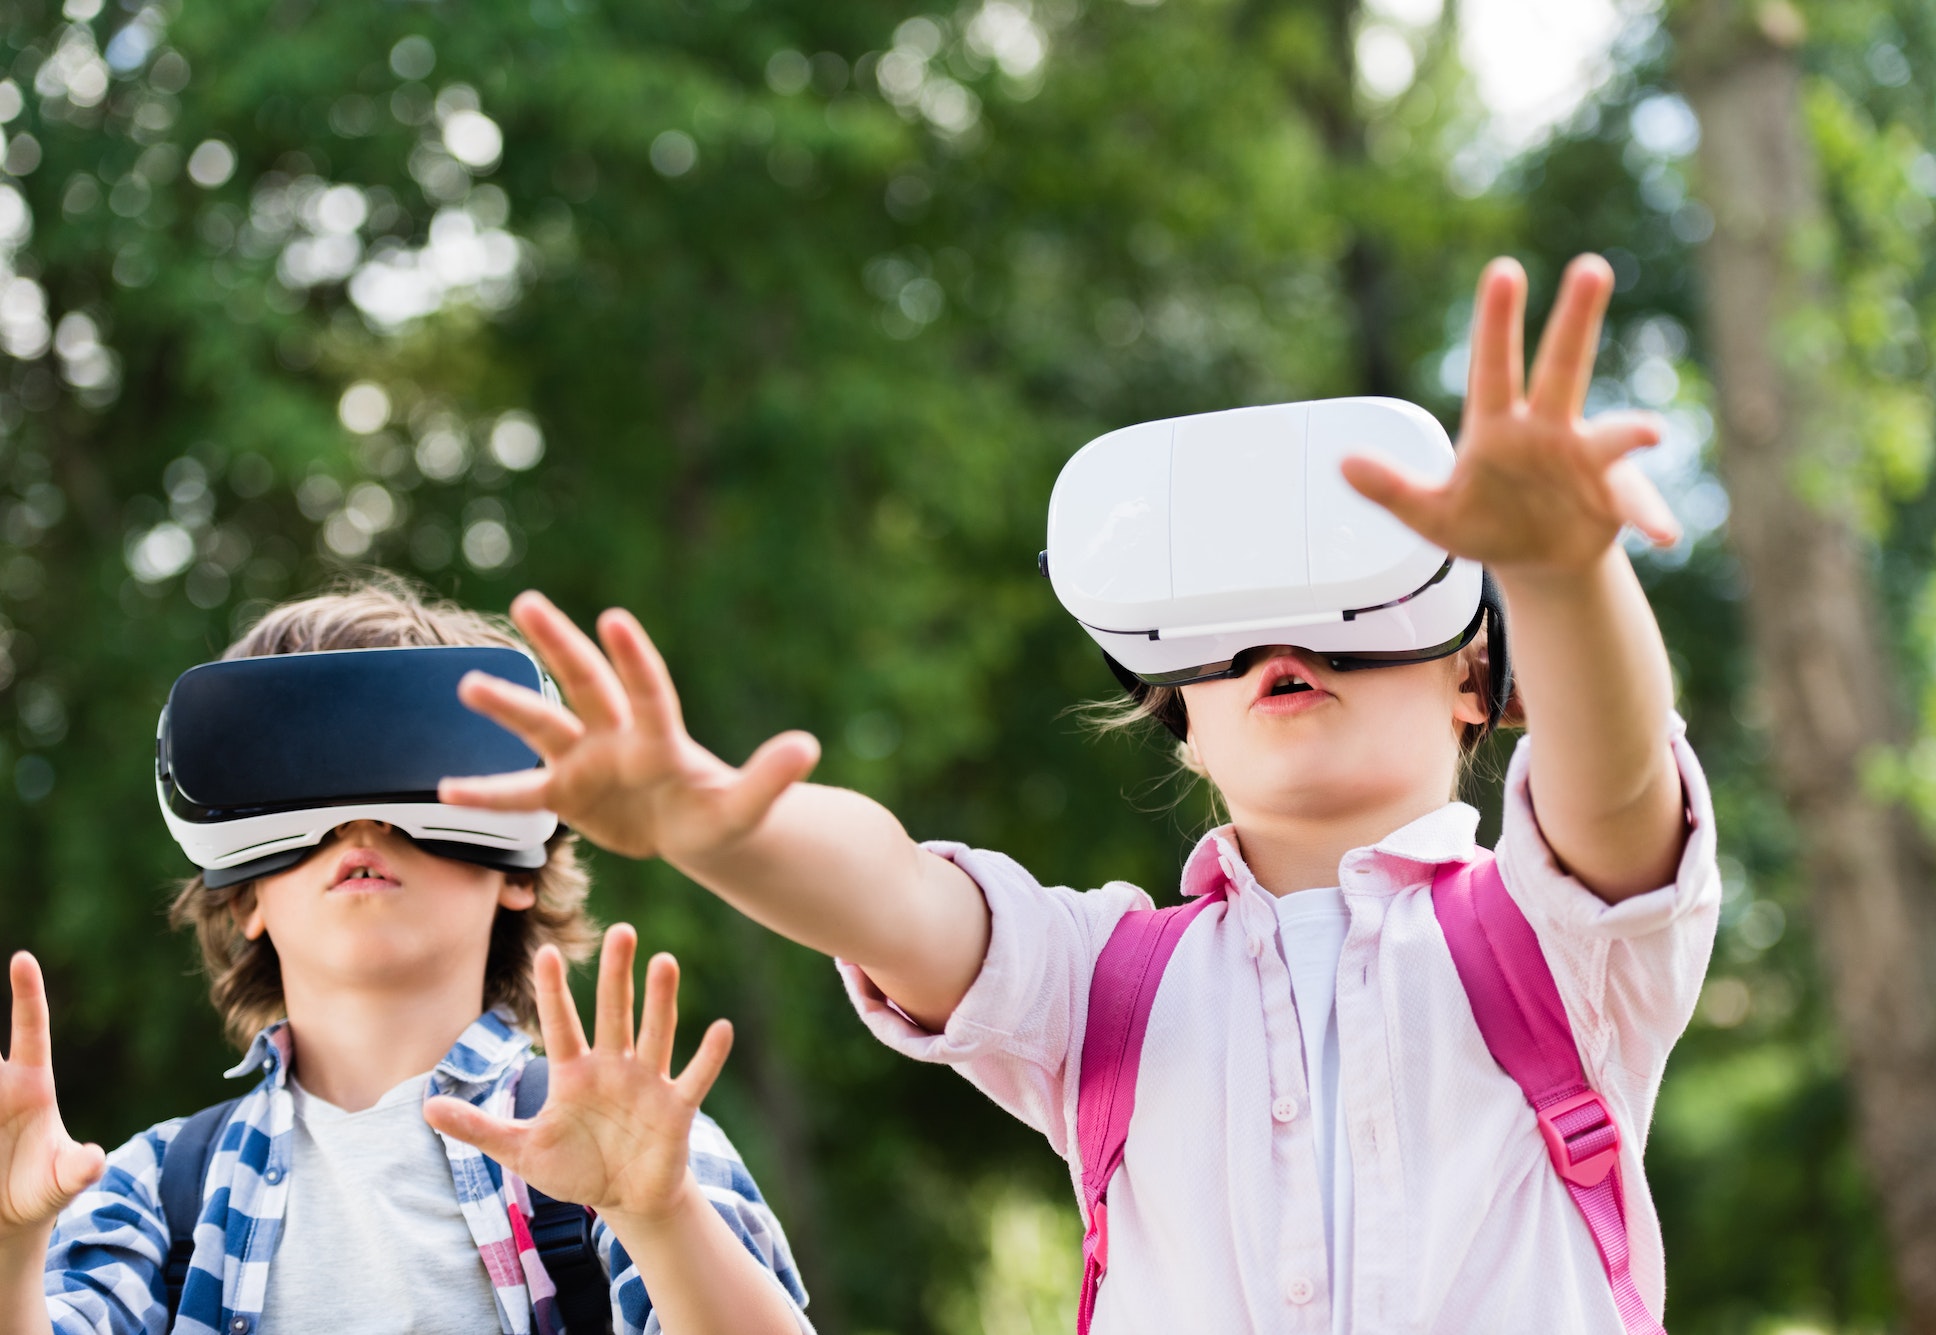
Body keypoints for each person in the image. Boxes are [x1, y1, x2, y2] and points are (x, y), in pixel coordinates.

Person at [439, 255, 1720, 1332]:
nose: (1284, 646)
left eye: (1344, 618)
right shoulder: (1103, 983)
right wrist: (714, 825)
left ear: (1472, 686)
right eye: (1228, 644)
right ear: (1189, 737)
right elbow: (897, 897)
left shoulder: (1555, 949)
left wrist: (1562, 572)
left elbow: (1610, 782)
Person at [0, 582, 811, 1335]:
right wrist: (6, 1248)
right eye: (302, 787)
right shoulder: (154, 1188)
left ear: (518, 875)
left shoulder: (635, 1141)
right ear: (245, 897)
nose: (360, 822)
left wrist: (662, 1217)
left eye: (417, 776)